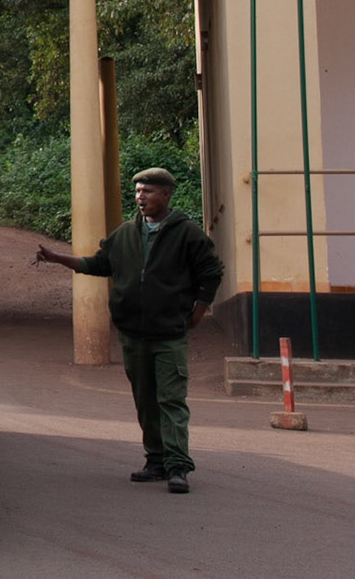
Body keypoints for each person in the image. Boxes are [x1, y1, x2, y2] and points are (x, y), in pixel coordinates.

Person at [34, 166, 224, 494]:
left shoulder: (187, 233)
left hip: (169, 335)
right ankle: (156, 461)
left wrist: (199, 312)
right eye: (137, 192)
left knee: (171, 399)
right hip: (133, 335)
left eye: (147, 191)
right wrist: (57, 258)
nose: (140, 197)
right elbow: (97, 264)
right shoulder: (125, 234)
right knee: (145, 400)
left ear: (166, 194)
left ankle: (178, 466)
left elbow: (212, 272)